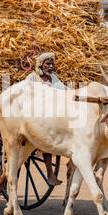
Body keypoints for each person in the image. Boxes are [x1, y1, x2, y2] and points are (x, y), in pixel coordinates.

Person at [25, 52, 65, 186]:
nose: (51, 66)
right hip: (34, 117)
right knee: (47, 137)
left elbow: (64, 92)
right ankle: (50, 173)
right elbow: (25, 95)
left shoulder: (54, 78)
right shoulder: (32, 78)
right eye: (48, 64)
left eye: (52, 64)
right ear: (40, 65)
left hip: (51, 116)